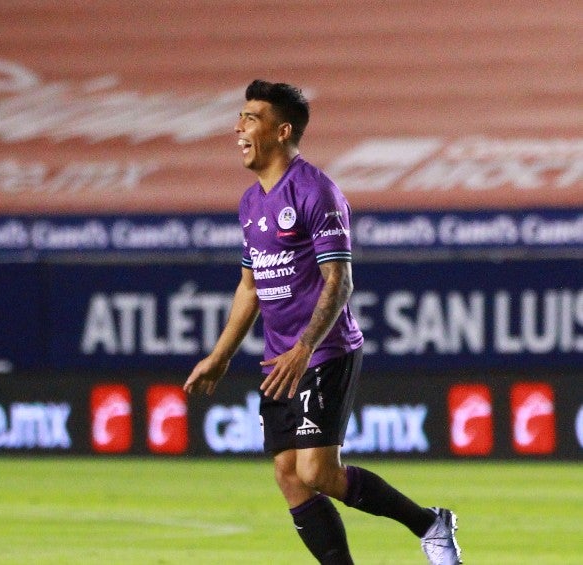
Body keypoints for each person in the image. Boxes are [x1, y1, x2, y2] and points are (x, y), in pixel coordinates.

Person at [183, 79, 462, 565]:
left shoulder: (315, 189)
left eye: (251, 118)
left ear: (281, 130)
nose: (238, 127)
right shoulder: (251, 203)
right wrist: (219, 355)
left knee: (315, 470)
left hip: (324, 350)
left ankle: (429, 524)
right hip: (281, 361)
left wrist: (305, 347)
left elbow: (340, 280)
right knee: (288, 475)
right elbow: (250, 286)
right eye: (240, 117)